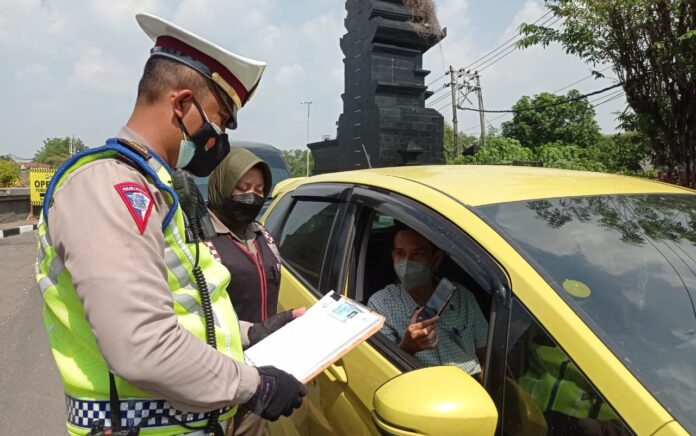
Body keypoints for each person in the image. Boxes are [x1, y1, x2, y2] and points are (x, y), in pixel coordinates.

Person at [35, 13, 305, 435]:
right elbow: (142, 345)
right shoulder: (108, 187)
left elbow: (189, 313)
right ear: (181, 105)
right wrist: (256, 386)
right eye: (221, 120)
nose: (223, 136)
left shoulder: (157, 188)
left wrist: (260, 331)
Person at [206, 147, 302, 435]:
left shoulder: (263, 235)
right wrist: (255, 332)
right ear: (223, 185)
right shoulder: (200, 239)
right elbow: (195, 316)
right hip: (220, 372)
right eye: (243, 187)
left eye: (260, 189)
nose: (252, 196)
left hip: (262, 371)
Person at [367, 223, 488, 377]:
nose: (407, 262)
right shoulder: (381, 305)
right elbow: (381, 371)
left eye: (417, 253)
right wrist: (407, 347)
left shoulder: (462, 297)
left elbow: (486, 354)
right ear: (393, 256)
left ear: (436, 259)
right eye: (400, 253)